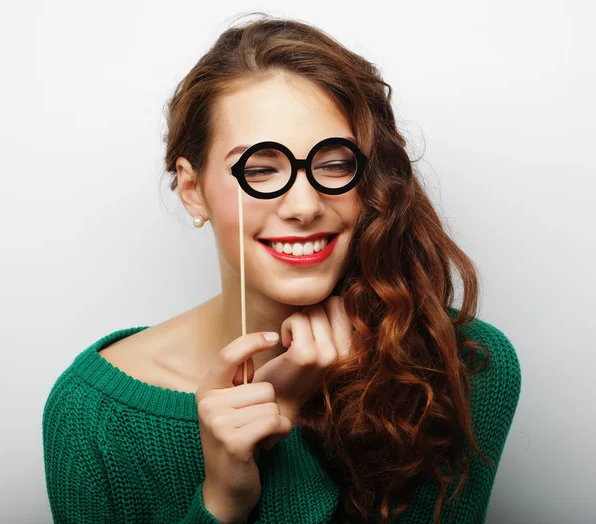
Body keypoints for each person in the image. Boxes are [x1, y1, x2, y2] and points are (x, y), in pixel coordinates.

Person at [42, 13, 522, 524]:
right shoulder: (90, 414)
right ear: (192, 190)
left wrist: (285, 430)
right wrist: (223, 498)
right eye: (259, 169)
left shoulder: (462, 366)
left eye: (334, 163)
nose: (303, 205)